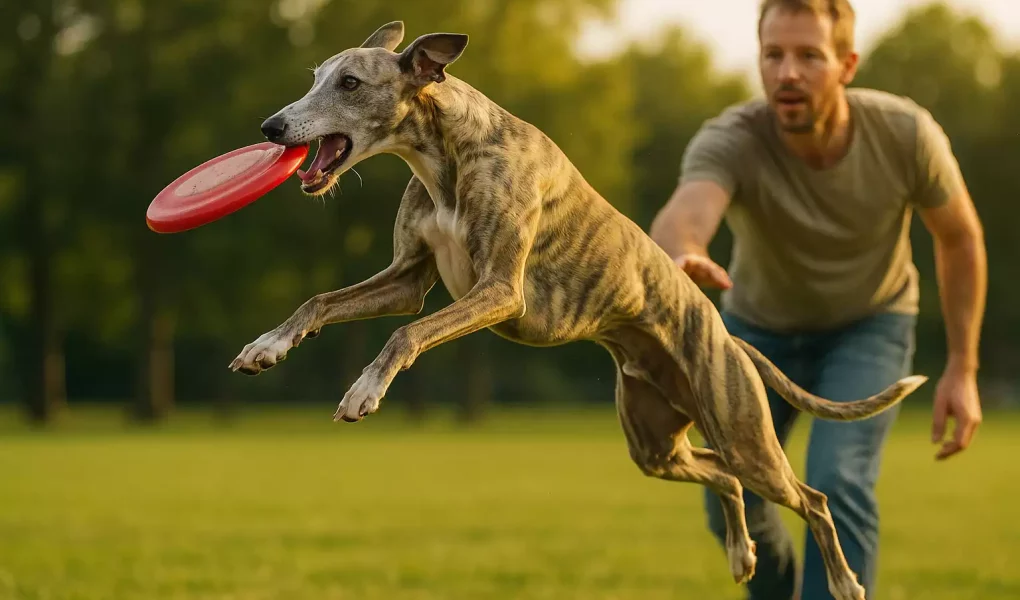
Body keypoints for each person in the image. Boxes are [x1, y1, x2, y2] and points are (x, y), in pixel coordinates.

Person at [648, 0, 987, 598]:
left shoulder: (905, 134)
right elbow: (685, 216)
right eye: (773, 55)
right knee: (730, 490)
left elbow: (959, 238)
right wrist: (681, 256)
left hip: (868, 325)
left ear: (847, 65)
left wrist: (963, 367)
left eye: (809, 56)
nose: (787, 73)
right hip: (757, 330)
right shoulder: (733, 137)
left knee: (838, 477)